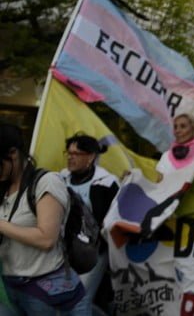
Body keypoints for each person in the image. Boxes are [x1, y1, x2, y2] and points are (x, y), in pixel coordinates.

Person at [0, 124, 85, 315]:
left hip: (43, 290)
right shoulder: (3, 187)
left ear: (12, 154)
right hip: (8, 286)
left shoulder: (46, 182)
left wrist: (2, 226)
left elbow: (46, 238)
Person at [60, 134, 119, 315]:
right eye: (68, 153)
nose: (71, 157)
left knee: (81, 297)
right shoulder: (61, 178)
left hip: (93, 251)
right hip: (64, 251)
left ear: (91, 156)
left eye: (76, 153)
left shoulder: (107, 183)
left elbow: (116, 218)